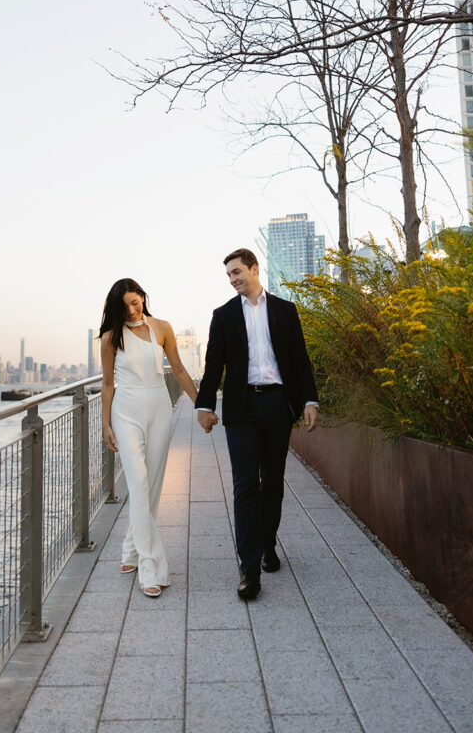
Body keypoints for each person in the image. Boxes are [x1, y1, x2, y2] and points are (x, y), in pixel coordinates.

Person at [195, 248, 319, 600]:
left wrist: (310, 400)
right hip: (241, 408)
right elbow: (213, 363)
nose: (233, 279)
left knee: (273, 482)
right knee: (245, 485)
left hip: (278, 403)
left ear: (254, 268)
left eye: (237, 272)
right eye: (228, 276)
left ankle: (267, 544)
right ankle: (249, 568)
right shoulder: (223, 315)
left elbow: (299, 359)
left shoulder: (285, 310)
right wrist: (205, 406)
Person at [100, 278, 197, 597]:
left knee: (152, 483)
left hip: (158, 406)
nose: (130, 310)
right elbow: (108, 384)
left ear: (143, 298)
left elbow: (179, 371)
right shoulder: (111, 337)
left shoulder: (163, 328)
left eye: (135, 302)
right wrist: (105, 424)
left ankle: (130, 548)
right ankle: (150, 565)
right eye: (124, 305)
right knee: (139, 482)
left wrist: (202, 405)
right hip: (125, 410)